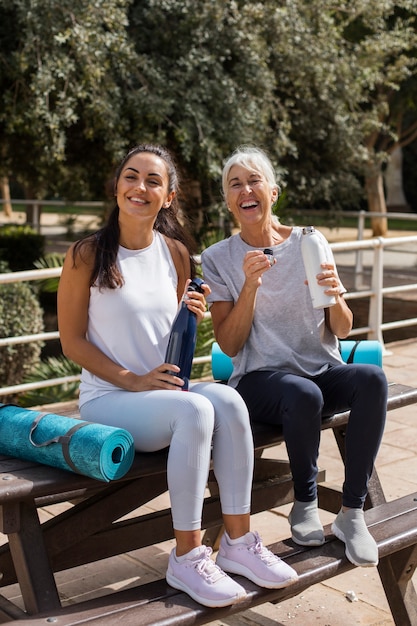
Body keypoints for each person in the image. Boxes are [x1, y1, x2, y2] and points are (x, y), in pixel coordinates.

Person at [57, 144, 298, 609]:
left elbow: (170, 338)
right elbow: (72, 343)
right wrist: (133, 379)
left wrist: (193, 317)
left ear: (168, 196)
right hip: (110, 397)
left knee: (229, 401)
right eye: (131, 176)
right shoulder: (86, 255)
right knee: (193, 410)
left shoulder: (177, 253)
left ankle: (238, 543)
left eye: (153, 181)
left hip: (161, 393)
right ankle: (187, 556)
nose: (140, 187)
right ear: (116, 186)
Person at [201, 145, 388, 568]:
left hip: (320, 371)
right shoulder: (217, 259)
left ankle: (352, 514)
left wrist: (335, 293)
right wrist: (249, 286)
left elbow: (342, 329)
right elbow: (229, 346)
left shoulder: (309, 241)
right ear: (229, 201)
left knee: (372, 380)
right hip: (258, 380)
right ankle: (305, 503)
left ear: (273, 192)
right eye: (235, 184)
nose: (245, 190)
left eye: (254, 181)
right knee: (303, 394)